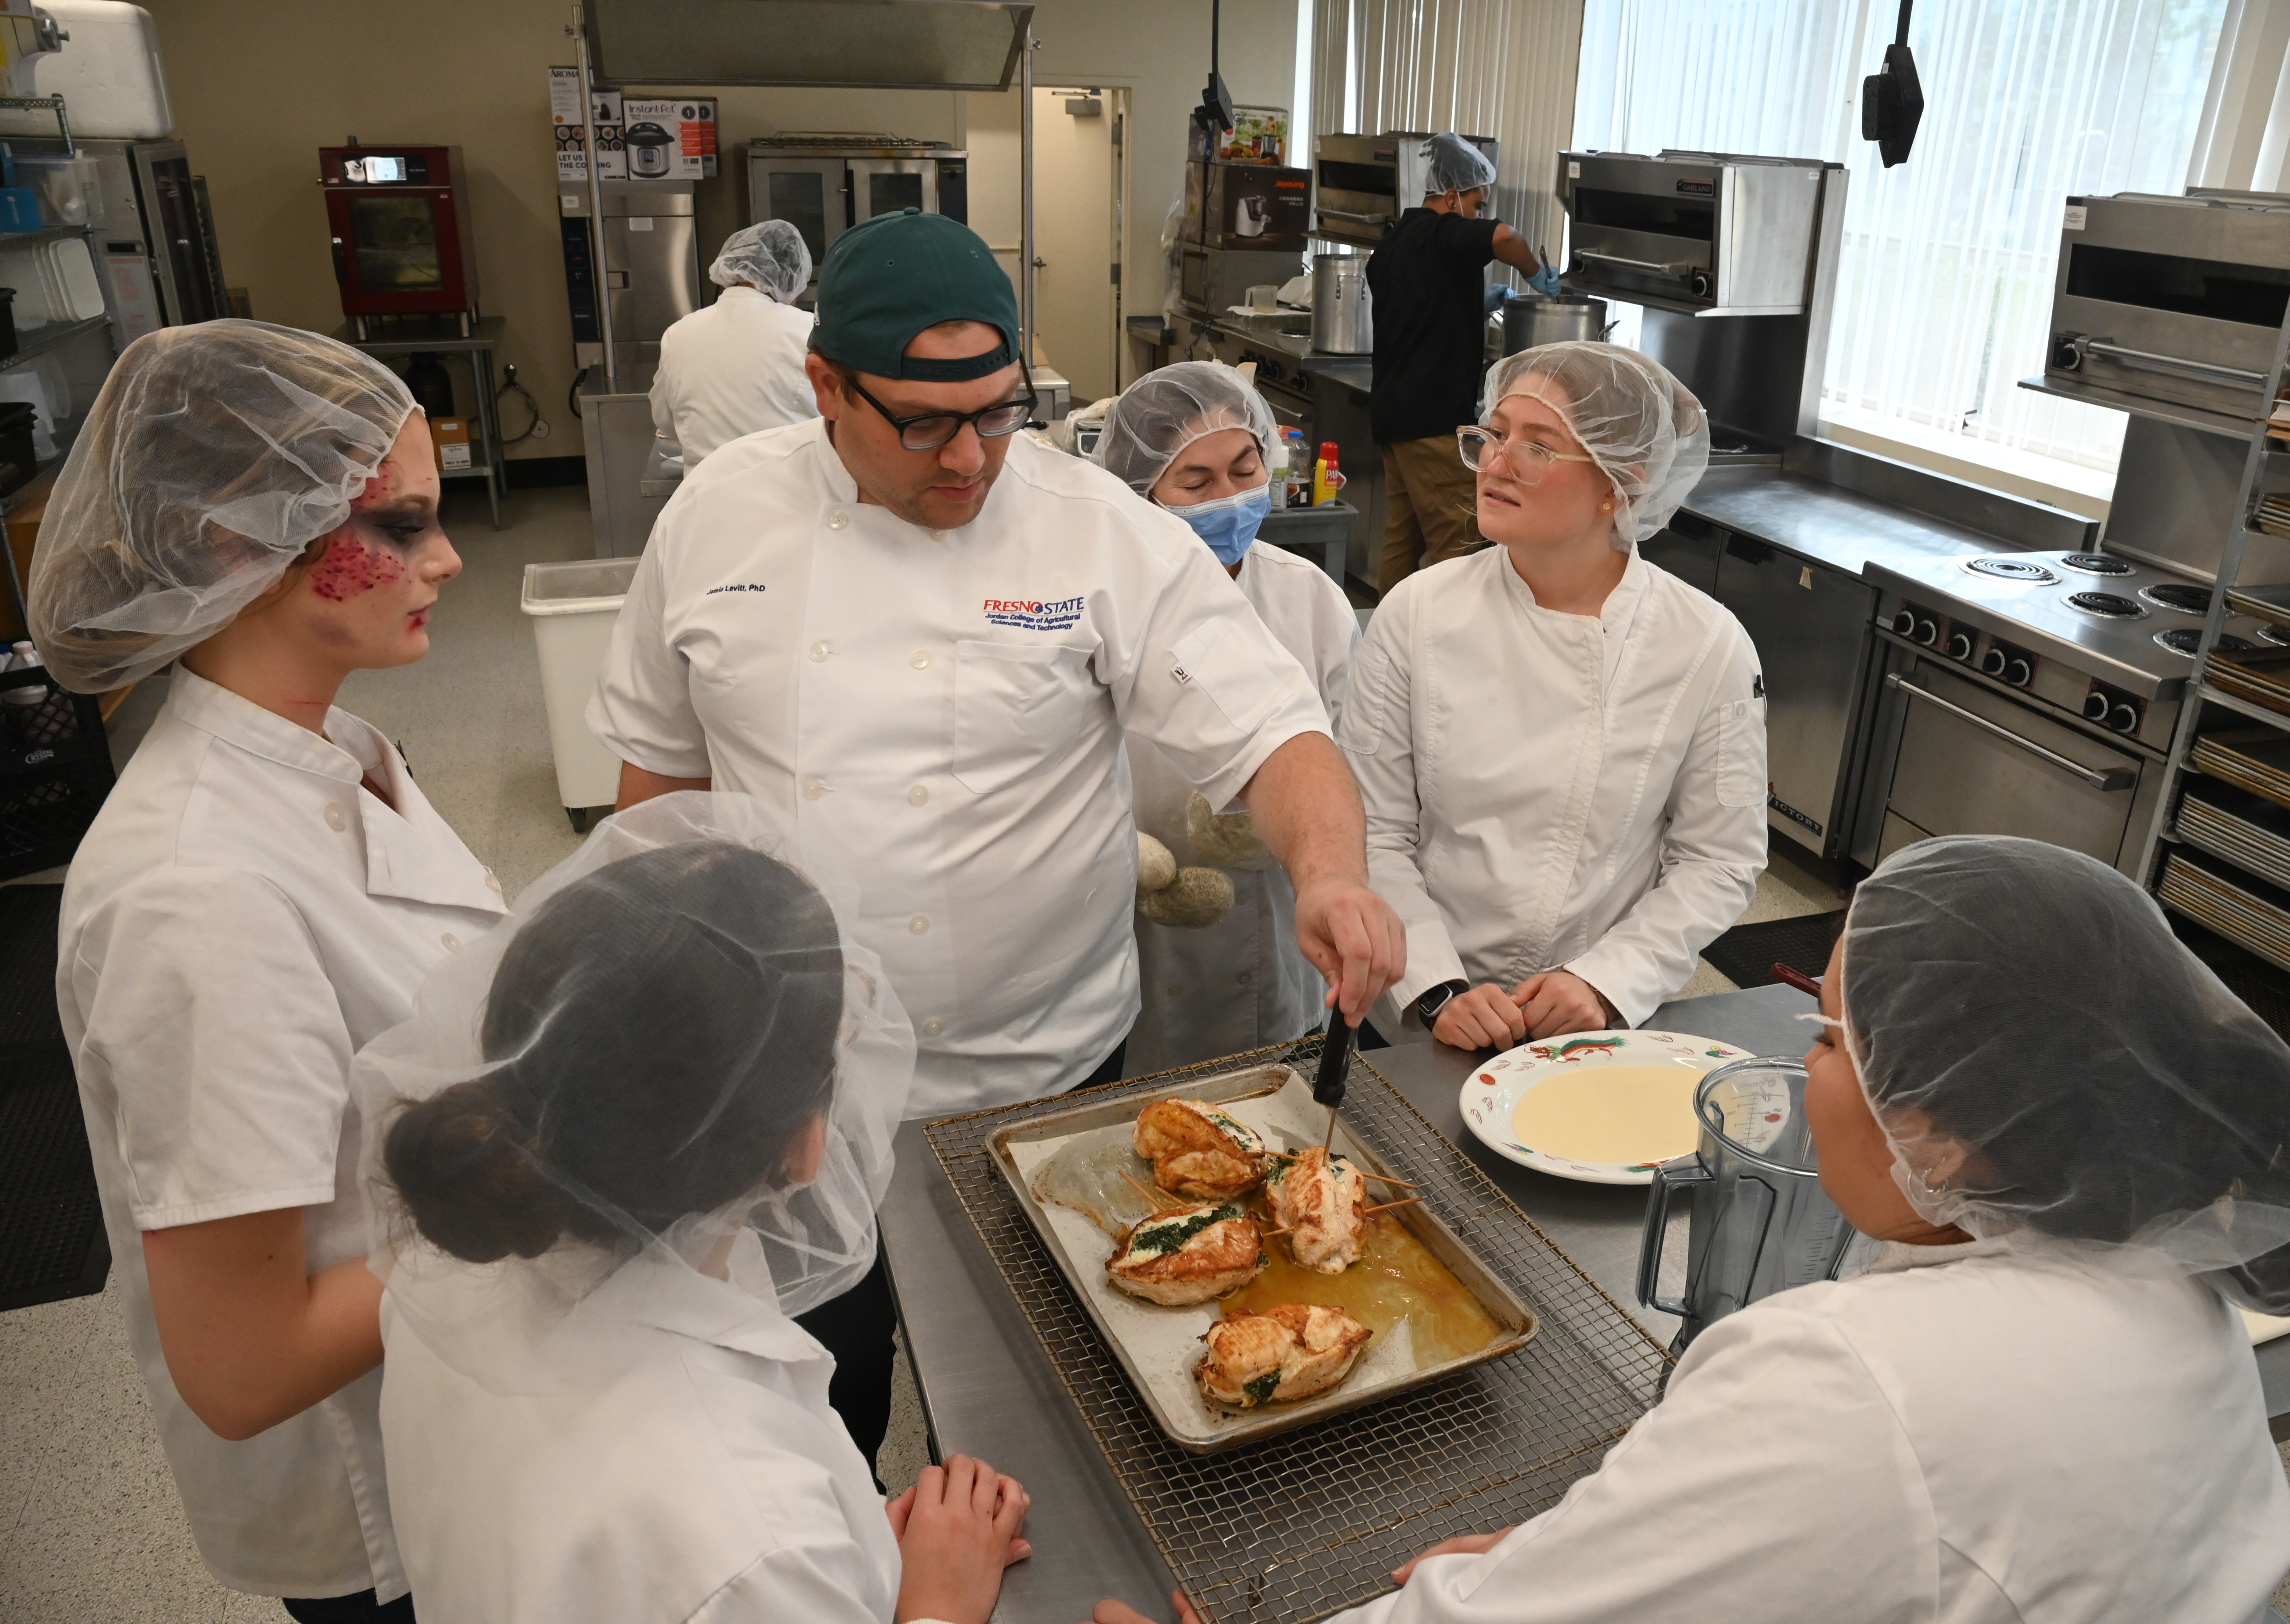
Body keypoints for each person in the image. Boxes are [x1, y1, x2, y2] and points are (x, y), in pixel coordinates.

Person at [590, 207, 1405, 1466]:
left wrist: (1333, 871)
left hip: (1046, 1073)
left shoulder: (1095, 529)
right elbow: (661, 776)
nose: (970, 457)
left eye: (998, 412)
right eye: (922, 422)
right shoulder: (716, 516)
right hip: (788, 1084)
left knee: (1054, 1410)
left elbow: (1274, 732)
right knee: (818, 1397)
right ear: (823, 386)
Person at [1093, 833, 2290, 1624]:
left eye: (1833, 1039)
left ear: (1953, 1135)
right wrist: (1585, 1558)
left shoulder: (1852, 1379)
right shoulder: (2167, 1281)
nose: (1808, 1071)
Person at [34, 320, 505, 1621]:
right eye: (401, 528)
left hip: (466, 1407)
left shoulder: (327, 748)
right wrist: (547, 1176)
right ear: (243, 542)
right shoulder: (197, 890)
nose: (447, 559)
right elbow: (242, 1369)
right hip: (380, 1503)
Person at [364, 793, 1032, 1624]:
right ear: (801, 1145)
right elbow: (741, 1559)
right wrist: (936, 1604)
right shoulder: (755, 1535)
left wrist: (853, 1559)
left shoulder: (445, 1274)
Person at [1348, 341, 1764, 1051]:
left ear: (1619, 486)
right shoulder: (1418, 611)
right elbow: (1374, 829)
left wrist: (1605, 980)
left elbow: (1717, 858)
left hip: (1593, 1022)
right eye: (1495, 433)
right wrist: (1434, 986)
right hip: (1423, 1004)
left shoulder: (1704, 644)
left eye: (1538, 446)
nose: (1497, 463)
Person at [1095, 361, 1362, 1071]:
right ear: (1140, 491)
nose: (1229, 498)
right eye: (1196, 482)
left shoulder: (1308, 597)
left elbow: (1349, 757)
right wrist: (1134, 859)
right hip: (1147, 919)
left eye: (1244, 469)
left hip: (1279, 906)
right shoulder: (1111, 603)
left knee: (1278, 1088)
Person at [1365, 133, 1560, 590]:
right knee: (1460, 540)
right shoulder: (1442, 231)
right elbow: (1507, 238)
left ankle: (1382, 640)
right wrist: (1535, 274)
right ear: (1452, 196)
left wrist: (1476, 303)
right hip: (1430, 418)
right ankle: (1445, 652)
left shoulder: (1397, 241)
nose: (1479, 214)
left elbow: (1420, 306)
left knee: (1403, 534)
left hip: (1394, 415)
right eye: (1477, 204)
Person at [649, 220, 822, 471]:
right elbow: (835, 416)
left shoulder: (679, 332)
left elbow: (665, 422)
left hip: (706, 492)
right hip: (786, 488)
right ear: (790, 279)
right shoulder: (807, 331)